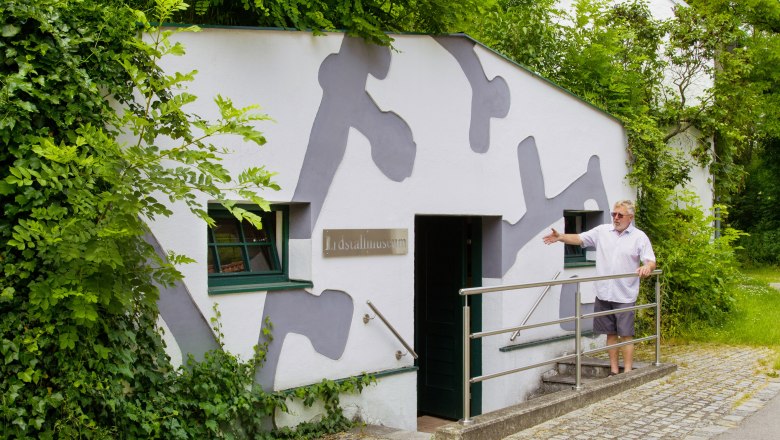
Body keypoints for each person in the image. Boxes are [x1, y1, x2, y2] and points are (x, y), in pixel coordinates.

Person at [542, 200, 656, 375]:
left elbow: (650, 260)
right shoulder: (602, 231)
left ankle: (627, 371)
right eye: (613, 214)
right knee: (610, 334)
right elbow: (580, 238)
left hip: (624, 294)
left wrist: (647, 267)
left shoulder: (639, 237)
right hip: (603, 293)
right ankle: (614, 370)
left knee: (625, 335)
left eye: (620, 215)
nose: (616, 218)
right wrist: (561, 237)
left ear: (630, 217)